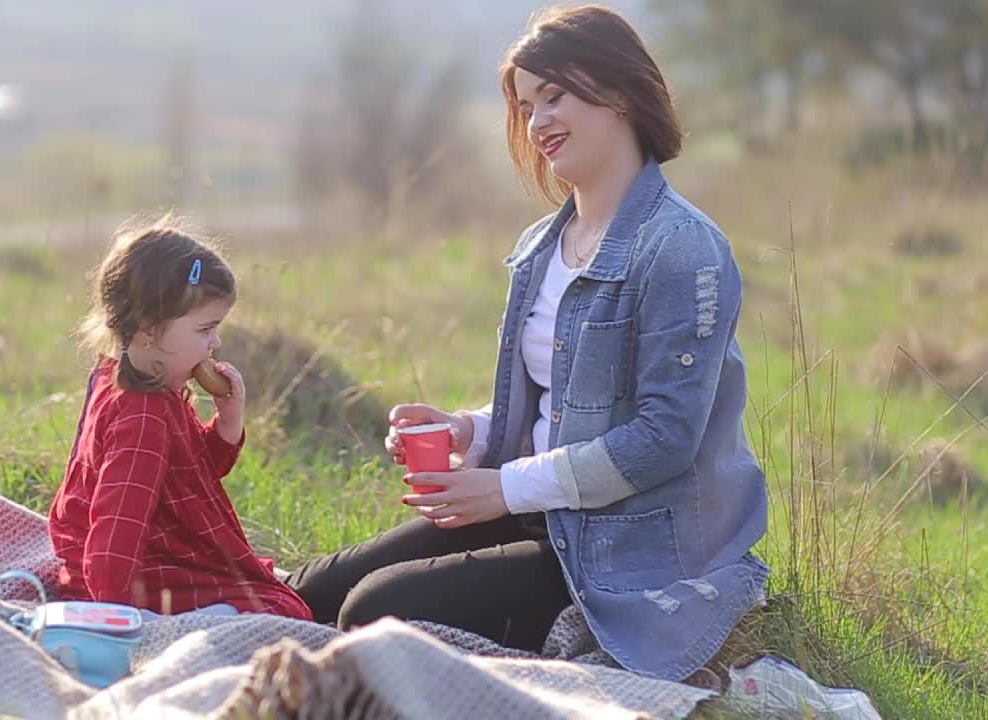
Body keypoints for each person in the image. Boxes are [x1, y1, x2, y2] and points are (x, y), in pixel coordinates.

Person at [287, 5, 768, 682]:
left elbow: (664, 439)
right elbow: (560, 401)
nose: (537, 121)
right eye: (525, 105)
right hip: (543, 511)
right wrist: (468, 432)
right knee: (309, 590)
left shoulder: (683, 249)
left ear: (622, 91)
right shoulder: (541, 247)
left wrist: (505, 489)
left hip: (624, 550)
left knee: (372, 613)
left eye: (555, 96)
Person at [48, 216, 312, 620]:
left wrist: (227, 423)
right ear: (147, 331)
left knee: (279, 597)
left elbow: (188, 478)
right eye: (205, 329)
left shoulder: (136, 381)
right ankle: (190, 625)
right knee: (285, 611)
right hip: (136, 581)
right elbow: (116, 533)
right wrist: (110, 621)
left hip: (153, 557)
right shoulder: (142, 416)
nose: (216, 342)